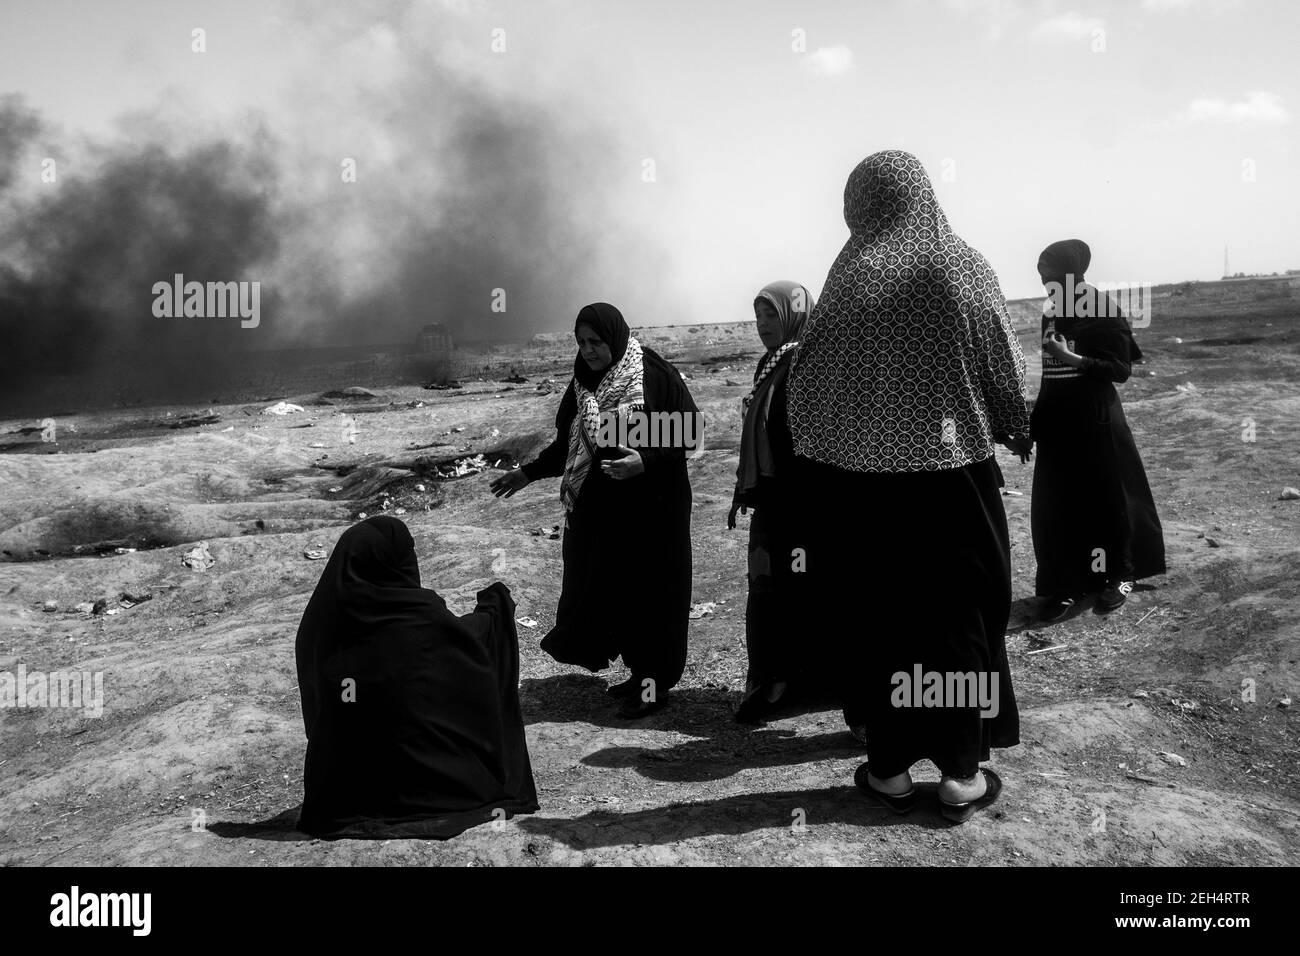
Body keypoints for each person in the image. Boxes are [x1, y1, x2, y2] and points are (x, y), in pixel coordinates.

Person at [784, 149, 1030, 822]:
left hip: (865, 488)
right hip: (955, 481)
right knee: (961, 617)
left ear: (858, 204)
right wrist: (1014, 424)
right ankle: (959, 773)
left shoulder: (848, 276)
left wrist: (827, 450)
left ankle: (888, 768)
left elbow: (805, 384)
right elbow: (1002, 362)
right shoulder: (964, 265)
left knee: (881, 619)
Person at [490, 303, 699, 719]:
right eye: (581, 342)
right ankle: (640, 673)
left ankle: (655, 685)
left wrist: (644, 462)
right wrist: (527, 474)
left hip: (653, 511)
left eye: (596, 342)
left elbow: (688, 435)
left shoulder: (651, 376)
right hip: (605, 514)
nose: (588, 350)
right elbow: (572, 443)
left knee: (654, 594)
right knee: (618, 591)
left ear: (615, 338)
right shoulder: (584, 382)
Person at [294, 515, 538, 839]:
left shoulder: (322, 622)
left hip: (346, 791)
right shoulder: (419, 616)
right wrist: (495, 609)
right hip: (437, 785)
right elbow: (465, 644)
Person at [1030, 239, 1166, 622]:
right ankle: (1065, 585)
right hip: (1058, 423)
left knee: (1110, 500)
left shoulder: (1102, 307)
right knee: (1058, 507)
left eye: (1052, 277)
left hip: (1096, 419)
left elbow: (1120, 371)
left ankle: (1119, 576)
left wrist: (1071, 357)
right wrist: (1034, 426)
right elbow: (1050, 376)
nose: (1047, 285)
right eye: (1042, 279)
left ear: (1073, 274)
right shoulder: (1053, 312)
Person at [729, 280, 813, 722]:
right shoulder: (771, 363)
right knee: (766, 592)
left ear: (793, 315)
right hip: (773, 505)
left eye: (770, 316)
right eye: (757, 316)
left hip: (802, 505)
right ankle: (771, 681)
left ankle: (802, 685)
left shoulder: (808, 365)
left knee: (801, 592)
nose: (762, 325)